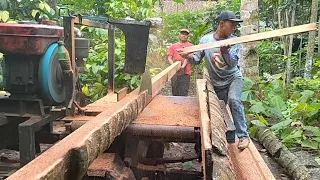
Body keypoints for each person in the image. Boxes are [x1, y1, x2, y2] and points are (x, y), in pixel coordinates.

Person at [181, 11, 250, 150]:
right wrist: (188, 56)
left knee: (234, 100)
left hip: (233, 78)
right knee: (216, 110)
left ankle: (243, 136)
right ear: (222, 23)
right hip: (216, 83)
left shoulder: (234, 41)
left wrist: (225, 52)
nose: (234, 28)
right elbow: (197, 59)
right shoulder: (205, 41)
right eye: (232, 25)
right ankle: (218, 139)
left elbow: (232, 64)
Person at [167, 29, 193, 96]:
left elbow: (188, 57)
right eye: (182, 34)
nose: (184, 36)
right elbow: (169, 58)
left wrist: (183, 66)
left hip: (186, 73)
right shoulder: (173, 46)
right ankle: (175, 106)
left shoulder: (191, 46)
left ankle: (183, 106)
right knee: (175, 91)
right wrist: (174, 66)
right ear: (179, 35)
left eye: (186, 34)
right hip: (175, 72)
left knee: (183, 91)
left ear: (188, 36)